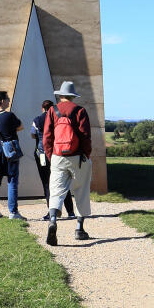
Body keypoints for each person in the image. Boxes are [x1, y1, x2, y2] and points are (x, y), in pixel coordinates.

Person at [43, 80, 93, 245]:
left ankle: (53, 221)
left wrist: (51, 156)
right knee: (81, 190)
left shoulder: (52, 110)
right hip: (78, 157)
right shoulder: (80, 110)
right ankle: (79, 229)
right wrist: (86, 154)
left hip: (58, 156)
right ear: (72, 96)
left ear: (60, 95)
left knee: (56, 191)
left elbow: (47, 137)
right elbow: (85, 135)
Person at [31, 98, 75, 222]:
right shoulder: (57, 117)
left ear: (42, 108)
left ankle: (51, 212)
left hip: (42, 155)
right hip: (57, 153)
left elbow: (32, 134)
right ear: (52, 108)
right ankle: (70, 211)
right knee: (62, 182)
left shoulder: (37, 120)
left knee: (47, 184)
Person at [0, 89, 23, 219]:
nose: (8, 101)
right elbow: (20, 126)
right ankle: (13, 212)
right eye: (7, 99)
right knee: (12, 180)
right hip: (10, 150)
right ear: (2, 101)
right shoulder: (9, 115)